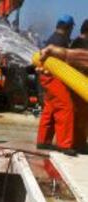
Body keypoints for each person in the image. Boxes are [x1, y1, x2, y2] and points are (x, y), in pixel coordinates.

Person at [36, 15, 76, 156]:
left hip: (46, 77)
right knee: (65, 107)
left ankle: (43, 140)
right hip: (55, 78)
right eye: (72, 28)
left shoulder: (52, 38)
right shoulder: (61, 41)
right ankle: (64, 145)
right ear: (68, 27)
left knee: (50, 107)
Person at [70, 20, 88, 153]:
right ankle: (79, 144)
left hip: (76, 82)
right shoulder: (83, 43)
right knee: (81, 116)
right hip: (81, 82)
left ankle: (78, 142)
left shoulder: (75, 42)